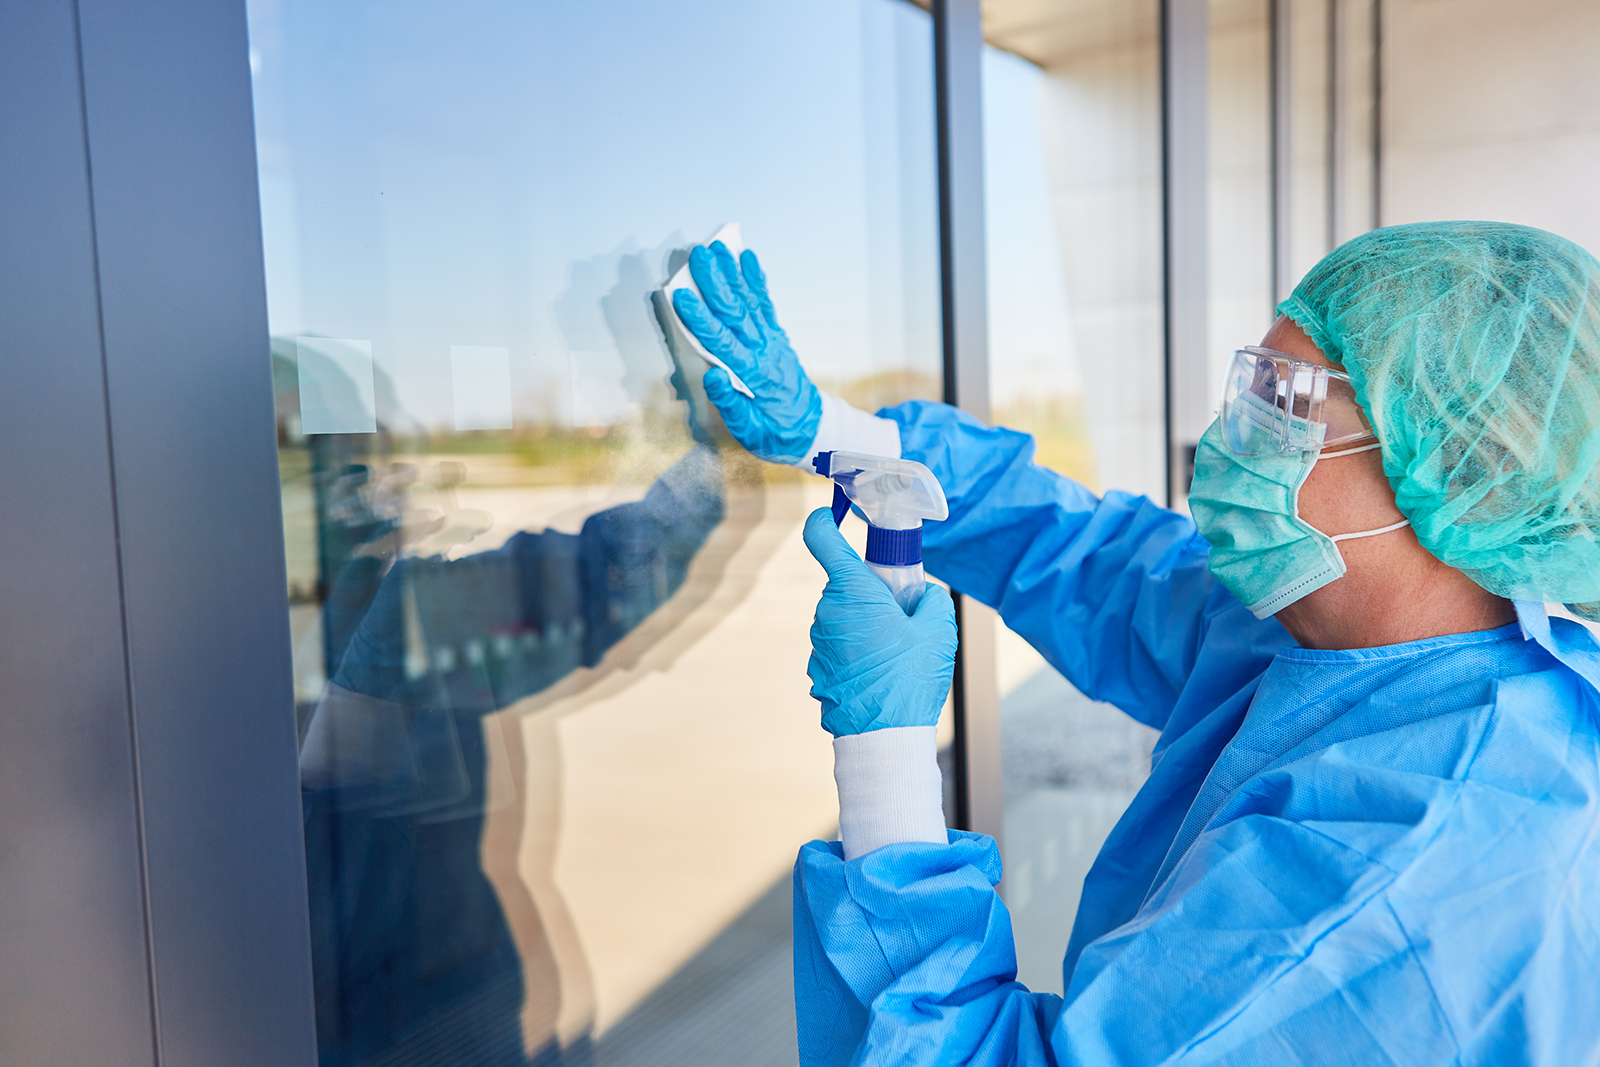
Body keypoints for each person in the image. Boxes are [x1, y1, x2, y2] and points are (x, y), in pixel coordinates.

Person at [671, 220, 1600, 1065]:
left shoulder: (1409, 867)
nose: (1230, 440)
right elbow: (1094, 559)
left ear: (1454, 474)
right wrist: (841, 436)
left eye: (1288, 405)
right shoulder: (1323, 628)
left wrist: (884, 759)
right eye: (1252, 386)